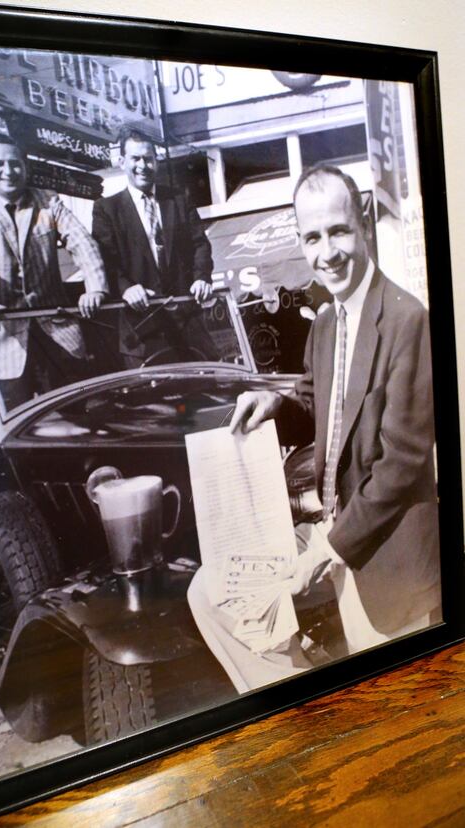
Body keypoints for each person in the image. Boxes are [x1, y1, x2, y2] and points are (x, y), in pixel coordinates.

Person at [189, 163, 441, 691]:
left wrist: (327, 551)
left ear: (364, 222)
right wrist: (276, 404)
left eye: (339, 231)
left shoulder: (407, 319)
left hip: (382, 554)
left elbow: (401, 466)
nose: (327, 252)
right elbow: (319, 408)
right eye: (312, 237)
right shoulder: (326, 323)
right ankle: (303, 699)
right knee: (208, 592)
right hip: (326, 528)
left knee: (388, 715)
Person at [0, 133, 108, 408]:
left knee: (77, 419)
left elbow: (81, 242)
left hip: (56, 334)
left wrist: (95, 286)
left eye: (15, 163)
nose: (8, 171)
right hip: (2, 342)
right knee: (19, 429)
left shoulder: (47, 201)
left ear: (25, 167)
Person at [92, 127, 215, 366]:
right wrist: (126, 288)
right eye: (135, 159)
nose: (143, 166)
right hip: (141, 332)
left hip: (187, 327)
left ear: (156, 162)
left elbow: (200, 243)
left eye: (148, 159)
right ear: (122, 162)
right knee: (154, 403)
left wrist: (202, 277)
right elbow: (106, 259)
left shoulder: (179, 199)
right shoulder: (107, 209)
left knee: (204, 396)